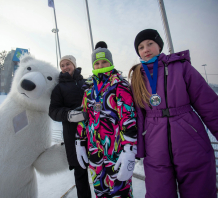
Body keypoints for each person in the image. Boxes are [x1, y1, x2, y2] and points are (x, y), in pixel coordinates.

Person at [129, 29, 218, 198]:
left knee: (199, 191)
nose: (145, 49)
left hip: (191, 142)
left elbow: (209, 105)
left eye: (150, 44)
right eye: (140, 47)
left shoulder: (181, 67)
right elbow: (138, 117)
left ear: (159, 45)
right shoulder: (137, 77)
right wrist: (139, 149)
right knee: (158, 193)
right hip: (155, 148)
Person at [75, 41, 137, 198]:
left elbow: (128, 118)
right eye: (97, 63)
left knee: (120, 191)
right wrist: (80, 141)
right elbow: (84, 116)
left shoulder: (119, 84)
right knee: (100, 191)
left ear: (110, 62)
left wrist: (129, 149)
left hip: (116, 150)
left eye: (104, 62)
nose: (100, 65)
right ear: (93, 65)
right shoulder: (88, 87)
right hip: (94, 150)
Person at [49, 55, 92, 198]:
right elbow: (53, 111)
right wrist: (68, 114)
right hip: (72, 134)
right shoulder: (59, 88)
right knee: (80, 171)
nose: (65, 67)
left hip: (92, 132)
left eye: (68, 64)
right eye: (62, 65)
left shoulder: (86, 83)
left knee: (98, 165)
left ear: (74, 65)